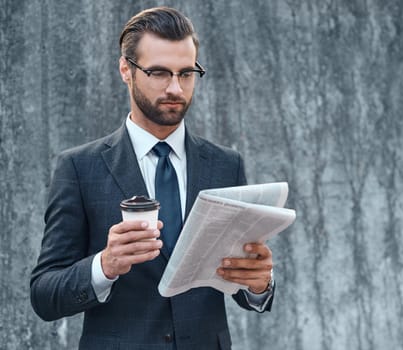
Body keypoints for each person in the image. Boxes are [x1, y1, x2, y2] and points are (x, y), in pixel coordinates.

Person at [30, 7, 274, 350]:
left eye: (186, 73)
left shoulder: (226, 165)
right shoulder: (79, 168)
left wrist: (258, 283)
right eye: (159, 72)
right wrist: (105, 265)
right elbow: (44, 295)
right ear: (126, 70)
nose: (175, 87)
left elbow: (242, 285)